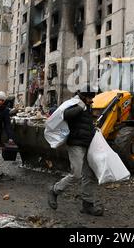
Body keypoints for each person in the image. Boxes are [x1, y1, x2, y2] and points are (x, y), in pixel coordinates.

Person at [47, 87, 103, 216]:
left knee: (89, 174)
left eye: (92, 98)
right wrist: (80, 107)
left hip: (88, 144)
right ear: (83, 96)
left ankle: (87, 204)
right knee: (76, 174)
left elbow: (85, 124)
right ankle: (55, 190)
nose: (91, 100)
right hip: (76, 144)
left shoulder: (87, 107)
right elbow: (65, 115)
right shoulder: (74, 103)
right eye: (89, 98)